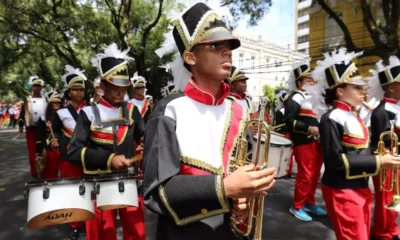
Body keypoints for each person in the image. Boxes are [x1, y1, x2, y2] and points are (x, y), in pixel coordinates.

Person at [143, 3, 276, 239]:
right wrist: (225, 188)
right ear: (190, 56)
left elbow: (243, 171)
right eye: (215, 45)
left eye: (229, 46)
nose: (227, 52)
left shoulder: (239, 111)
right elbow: (156, 193)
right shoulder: (169, 110)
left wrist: (244, 197)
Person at [312, 47, 400, 240]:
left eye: (363, 88)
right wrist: (378, 162)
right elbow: (335, 161)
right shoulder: (330, 118)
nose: (364, 92)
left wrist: (381, 153)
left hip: (360, 187)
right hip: (342, 190)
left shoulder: (354, 115)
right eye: (357, 88)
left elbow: (362, 149)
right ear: (340, 91)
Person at [67, 43, 145, 240]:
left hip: (129, 182)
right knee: (101, 235)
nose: (121, 93)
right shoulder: (87, 113)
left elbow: (143, 138)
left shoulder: (133, 111)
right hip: (98, 184)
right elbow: (74, 152)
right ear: (102, 86)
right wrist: (109, 159)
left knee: (137, 233)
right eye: (115, 87)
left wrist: (147, 141)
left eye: (124, 87)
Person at [284, 60, 327, 221]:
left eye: (312, 79)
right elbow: (288, 120)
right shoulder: (296, 97)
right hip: (304, 142)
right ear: (299, 82)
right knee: (305, 176)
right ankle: (297, 206)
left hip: (318, 143)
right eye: (307, 79)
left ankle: (310, 202)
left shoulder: (315, 97)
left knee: (315, 175)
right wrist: (309, 129)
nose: (311, 81)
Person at [51, 65, 88, 239]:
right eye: (75, 89)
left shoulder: (91, 109)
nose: (79, 93)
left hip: (89, 155)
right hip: (68, 157)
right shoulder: (61, 113)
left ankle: (88, 220)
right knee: (72, 189)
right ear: (69, 92)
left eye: (81, 89)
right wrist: (51, 141)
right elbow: (53, 133)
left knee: (88, 188)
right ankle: (74, 224)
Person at [369, 56, 400, 240]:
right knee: (385, 201)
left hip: (396, 161)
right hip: (387, 162)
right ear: (390, 88)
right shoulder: (381, 111)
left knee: (395, 199)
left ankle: (391, 228)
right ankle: (382, 232)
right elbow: (377, 142)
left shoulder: (397, 108)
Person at [18, 76, 47, 178]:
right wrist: (21, 125)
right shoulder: (28, 100)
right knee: (32, 154)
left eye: (39, 86)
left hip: (43, 129)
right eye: (35, 86)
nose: (37, 88)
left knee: (43, 151)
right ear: (32, 87)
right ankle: (34, 172)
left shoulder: (46, 99)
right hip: (31, 130)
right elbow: (23, 113)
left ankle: (44, 171)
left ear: (41, 87)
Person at [35, 90, 62, 179]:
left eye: (58, 103)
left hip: (62, 146)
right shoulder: (43, 118)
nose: (57, 104)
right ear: (50, 104)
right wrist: (39, 153)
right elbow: (39, 136)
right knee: (50, 173)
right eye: (54, 103)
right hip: (48, 149)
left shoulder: (64, 115)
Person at [273, 89, 295, 178]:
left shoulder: (281, 111)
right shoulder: (282, 111)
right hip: (285, 135)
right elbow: (279, 125)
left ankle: (286, 171)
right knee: (287, 154)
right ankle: (285, 171)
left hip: (285, 134)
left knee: (287, 154)